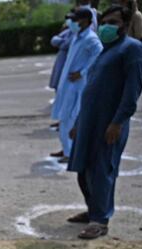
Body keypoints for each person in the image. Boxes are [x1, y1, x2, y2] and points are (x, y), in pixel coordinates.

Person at [68, 6, 142, 239]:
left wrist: (118, 122)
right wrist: (78, 123)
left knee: (102, 170)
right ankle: (93, 210)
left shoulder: (132, 49)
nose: (106, 26)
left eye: (113, 21)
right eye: (104, 22)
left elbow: (132, 91)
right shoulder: (105, 50)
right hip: (89, 123)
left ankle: (100, 220)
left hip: (109, 124)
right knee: (83, 170)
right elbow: (91, 91)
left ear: (124, 24)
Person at [51, 7, 102, 162]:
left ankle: (71, 152)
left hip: (77, 86)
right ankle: (66, 149)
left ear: (86, 21)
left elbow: (98, 55)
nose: (72, 22)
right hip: (67, 85)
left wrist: (83, 72)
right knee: (64, 119)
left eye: (75, 19)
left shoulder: (91, 38)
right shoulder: (77, 36)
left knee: (70, 119)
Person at [50, 16, 74, 92]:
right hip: (61, 59)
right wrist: (62, 42)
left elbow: (66, 44)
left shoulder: (77, 34)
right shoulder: (67, 31)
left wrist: (61, 42)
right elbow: (54, 40)